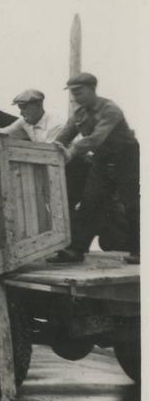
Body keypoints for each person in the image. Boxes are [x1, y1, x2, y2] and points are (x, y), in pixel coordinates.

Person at [47, 73, 140, 264]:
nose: (75, 97)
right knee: (90, 201)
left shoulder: (110, 110)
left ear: (92, 89)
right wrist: (51, 150)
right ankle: (76, 251)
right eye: (72, 93)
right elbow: (65, 135)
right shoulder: (79, 113)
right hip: (102, 158)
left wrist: (71, 152)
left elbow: (97, 138)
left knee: (130, 203)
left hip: (126, 157)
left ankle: (140, 251)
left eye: (78, 92)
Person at [0, 89, 89, 211]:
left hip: (73, 166)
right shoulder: (25, 121)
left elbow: (50, 155)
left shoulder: (56, 124)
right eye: (20, 108)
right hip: (56, 165)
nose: (21, 112)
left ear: (38, 105)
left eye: (24, 108)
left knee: (67, 205)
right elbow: (5, 132)